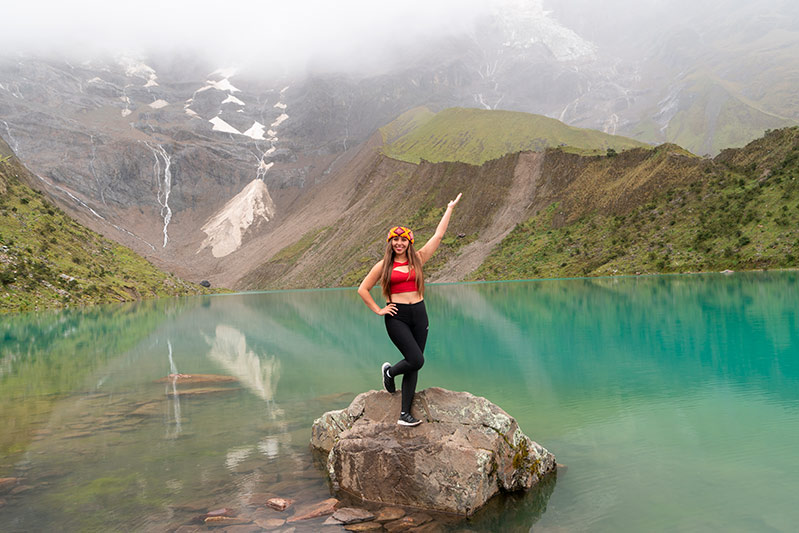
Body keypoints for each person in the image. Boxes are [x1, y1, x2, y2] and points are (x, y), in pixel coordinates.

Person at [357, 193, 462, 426]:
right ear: (390, 243)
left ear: (409, 242)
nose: (399, 244)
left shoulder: (419, 259)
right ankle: (390, 373)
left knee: (413, 362)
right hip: (397, 316)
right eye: (395, 241)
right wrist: (378, 310)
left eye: (403, 241)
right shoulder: (384, 265)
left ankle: (404, 414)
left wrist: (450, 208)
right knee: (416, 359)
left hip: (419, 314)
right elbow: (363, 289)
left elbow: (439, 235)